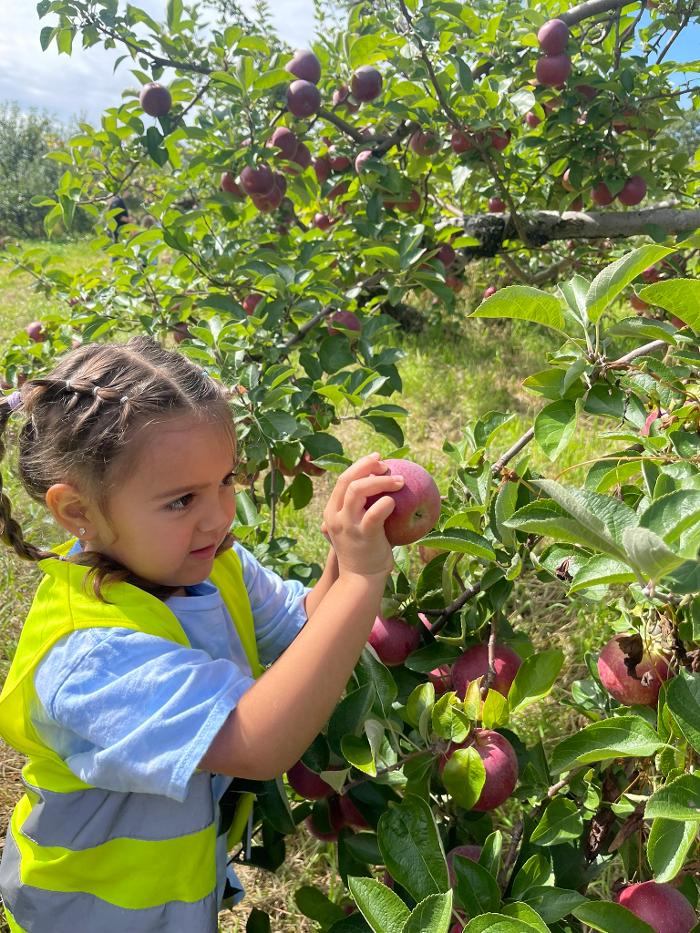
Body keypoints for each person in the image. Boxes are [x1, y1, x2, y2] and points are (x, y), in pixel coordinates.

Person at [0, 335, 402, 932]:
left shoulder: (213, 564)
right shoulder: (91, 654)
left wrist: (346, 552)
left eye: (225, 480)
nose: (218, 515)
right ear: (78, 511)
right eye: (182, 499)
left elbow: (304, 628)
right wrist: (363, 581)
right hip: (89, 911)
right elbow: (258, 742)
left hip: (176, 893)